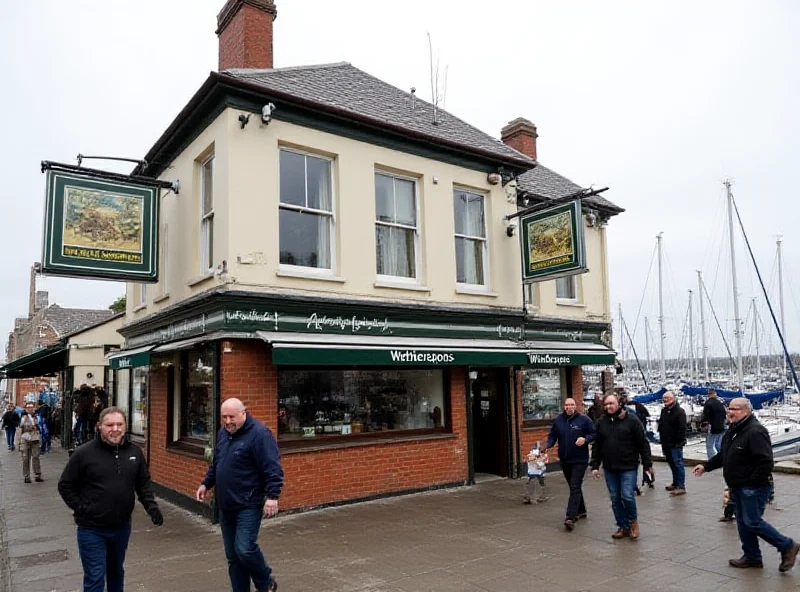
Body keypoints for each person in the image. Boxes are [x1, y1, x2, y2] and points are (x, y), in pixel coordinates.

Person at [58, 406, 163, 592]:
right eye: (110, 425)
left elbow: (143, 483)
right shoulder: (83, 454)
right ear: (99, 426)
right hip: (92, 529)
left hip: (121, 527)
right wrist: (81, 508)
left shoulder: (135, 452)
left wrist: (151, 507)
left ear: (126, 426)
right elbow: (65, 485)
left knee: (116, 572)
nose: (115, 429)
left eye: (119, 424)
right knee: (95, 577)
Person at [693, 397, 799, 571]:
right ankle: (752, 557)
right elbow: (724, 455)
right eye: (729, 409)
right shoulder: (733, 430)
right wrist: (706, 466)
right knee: (743, 523)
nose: (729, 412)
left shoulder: (755, 431)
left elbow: (765, 462)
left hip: (753, 487)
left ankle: (787, 545)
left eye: (734, 409)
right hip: (737, 486)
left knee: (752, 522)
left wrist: (751, 483)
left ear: (745, 411)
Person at [196, 398, 284, 592]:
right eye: (224, 417)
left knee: (244, 548)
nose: (228, 422)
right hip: (226, 505)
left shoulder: (260, 435)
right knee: (233, 557)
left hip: (248, 504)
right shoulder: (224, 434)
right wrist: (206, 483)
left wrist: (272, 496)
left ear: (244, 413)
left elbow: (273, 468)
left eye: (232, 417)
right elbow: (217, 463)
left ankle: (266, 582)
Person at [590, 393, 653, 541]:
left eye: (611, 403)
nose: (608, 407)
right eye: (606, 404)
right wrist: (594, 465)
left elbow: (643, 443)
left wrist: (647, 464)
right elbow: (597, 446)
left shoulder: (632, 420)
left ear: (619, 403)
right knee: (615, 498)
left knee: (627, 495)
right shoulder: (601, 422)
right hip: (610, 466)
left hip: (628, 465)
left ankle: (633, 522)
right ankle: (622, 525)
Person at [544, 398, 596, 531]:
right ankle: (582, 510)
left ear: (575, 406)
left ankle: (570, 517)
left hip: (580, 459)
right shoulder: (559, 420)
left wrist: (585, 439)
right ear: (564, 407)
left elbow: (594, 433)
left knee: (574, 486)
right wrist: (546, 446)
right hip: (565, 459)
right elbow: (552, 436)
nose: (569, 407)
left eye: (572, 405)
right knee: (574, 487)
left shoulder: (584, 420)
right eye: (567, 405)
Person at [658, 391, 687, 496]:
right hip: (666, 443)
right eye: (664, 398)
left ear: (673, 398)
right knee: (672, 464)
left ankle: (681, 486)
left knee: (678, 464)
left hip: (676, 444)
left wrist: (679, 442)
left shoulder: (679, 412)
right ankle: (675, 483)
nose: (665, 400)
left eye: (668, 398)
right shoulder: (664, 411)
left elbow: (682, 429)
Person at [16, 402, 42, 483]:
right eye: (28, 407)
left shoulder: (38, 417)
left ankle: (37, 475)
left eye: (31, 407)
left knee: (36, 457)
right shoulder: (24, 417)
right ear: (26, 409)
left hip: (35, 438)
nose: (30, 409)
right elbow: (20, 427)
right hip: (25, 439)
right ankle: (26, 476)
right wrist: (19, 442)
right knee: (25, 458)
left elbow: (41, 426)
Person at [700, 388, 727, 459]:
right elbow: (724, 414)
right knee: (718, 444)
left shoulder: (708, 403)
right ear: (715, 394)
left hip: (712, 427)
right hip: (721, 426)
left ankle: (712, 460)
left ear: (709, 394)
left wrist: (702, 423)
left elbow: (705, 415)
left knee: (710, 445)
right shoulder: (720, 403)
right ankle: (722, 458)